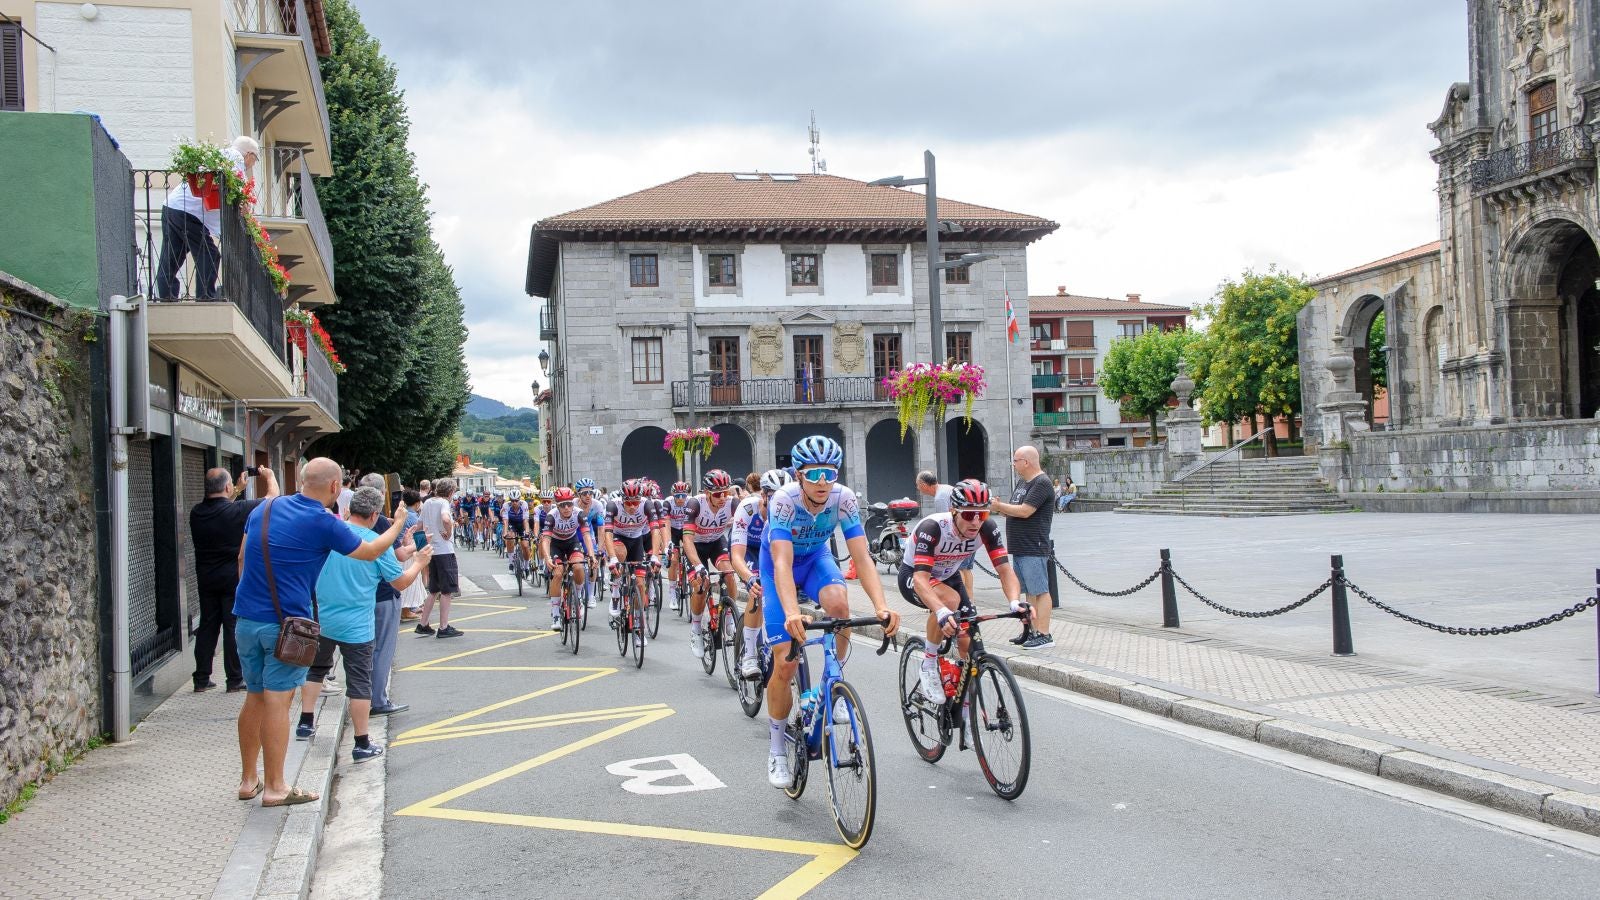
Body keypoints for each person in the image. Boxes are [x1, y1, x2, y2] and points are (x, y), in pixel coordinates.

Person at [231, 457, 408, 807]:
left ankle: (248, 779)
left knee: (254, 697)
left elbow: (240, 558)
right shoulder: (322, 521)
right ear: (334, 487)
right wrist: (398, 523)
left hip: (246, 619)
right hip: (285, 627)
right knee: (278, 702)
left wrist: (252, 597)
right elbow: (371, 550)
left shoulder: (264, 510)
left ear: (301, 480)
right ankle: (277, 787)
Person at [761, 436, 899, 788]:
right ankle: (777, 749)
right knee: (785, 662)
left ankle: (832, 682)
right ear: (799, 475)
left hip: (815, 561)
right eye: (815, 474)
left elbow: (861, 556)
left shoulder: (844, 498)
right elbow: (781, 561)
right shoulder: (784, 501)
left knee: (839, 603)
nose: (823, 481)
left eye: (830, 473)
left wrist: (882, 606)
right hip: (780, 565)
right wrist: (792, 612)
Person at [294, 487, 430, 761]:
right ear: (375, 515)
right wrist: (418, 562)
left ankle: (305, 721)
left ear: (349, 510)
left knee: (316, 669)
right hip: (357, 623)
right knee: (359, 682)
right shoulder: (375, 544)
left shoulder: (331, 534)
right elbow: (400, 583)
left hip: (322, 616)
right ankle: (361, 742)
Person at [899, 480, 1030, 698]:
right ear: (953, 511)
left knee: (968, 642)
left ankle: (965, 708)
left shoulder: (986, 528)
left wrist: (1015, 602)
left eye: (983, 515)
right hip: (915, 576)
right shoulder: (932, 528)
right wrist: (940, 612)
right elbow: (921, 579)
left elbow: (1005, 571)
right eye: (969, 515)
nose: (976, 522)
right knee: (949, 601)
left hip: (949, 576)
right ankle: (929, 663)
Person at [189, 465, 280, 691]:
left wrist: (237, 488)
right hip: (232, 576)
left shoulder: (196, 512)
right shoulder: (237, 511)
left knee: (208, 626)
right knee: (231, 626)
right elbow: (272, 498)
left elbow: (221, 504)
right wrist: (269, 476)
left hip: (206, 577)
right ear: (227, 487)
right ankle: (235, 679)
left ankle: (201, 679)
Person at [154, 135, 257, 300]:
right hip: (189, 213)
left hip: (173, 206)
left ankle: (167, 296)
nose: (253, 164)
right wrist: (244, 205)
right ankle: (205, 296)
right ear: (249, 155)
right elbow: (239, 186)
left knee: (172, 255)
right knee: (210, 253)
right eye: (255, 159)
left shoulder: (221, 155)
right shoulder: (235, 155)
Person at [359, 475, 419, 716]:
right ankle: (377, 700)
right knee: (382, 649)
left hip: (360, 593)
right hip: (384, 592)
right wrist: (416, 547)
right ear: (382, 494)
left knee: (363, 648)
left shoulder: (349, 522)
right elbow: (399, 557)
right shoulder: (383, 524)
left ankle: (362, 696)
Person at [990, 445, 1057, 649]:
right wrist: (1003, 509)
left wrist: (1000, 507)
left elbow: (1026, 511)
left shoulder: (1042, 483)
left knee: (1040, 590)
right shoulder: (1023, 483)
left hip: (1033, 545)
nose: (1014, 464)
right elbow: (1016, 509)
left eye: (1016, 460)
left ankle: (1044, 634)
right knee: (1028, 591)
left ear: (1026, 462)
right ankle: (1032, 631)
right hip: (1020, 545)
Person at [731, 468, 790, 680]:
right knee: (758, 590)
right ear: (763, 496)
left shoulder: (790, 510)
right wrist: (748, 577)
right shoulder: (747, 508)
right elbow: (736, 555)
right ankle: (749, 654)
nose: (779, 503)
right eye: (773, 497)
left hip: (771, 550)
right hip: (748, 549)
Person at [681, 469, 739, 657]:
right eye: (717, 494)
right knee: (701, 584)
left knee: (729, 573)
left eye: (726, 492)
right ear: (707, 493)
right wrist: (698, 566)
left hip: (716, 542)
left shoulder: (732, 503)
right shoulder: (695, 504)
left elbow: (742, 531)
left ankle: (729, 617)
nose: (723, 497)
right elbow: (687, 540)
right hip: (696, 545)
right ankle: (696, 628)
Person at [604, 479, 660, 637]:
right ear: (622, 500)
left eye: (635, 502)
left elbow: (656, 531)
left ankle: (636, 623)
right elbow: (607, 533)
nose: (633, 506)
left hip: (636, 540)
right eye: (628, 503)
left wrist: (655, 555)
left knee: (640, 584)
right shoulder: (613, 505)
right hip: (618, 537)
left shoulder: (647, 504)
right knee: (620, 553)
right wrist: (613, 558)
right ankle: (615, 591)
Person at [540, 487, 594, 630]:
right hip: (556, 545)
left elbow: (587, 536)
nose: (566, 508)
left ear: (573, 503)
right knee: (558, 573)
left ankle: (579, 597)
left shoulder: (579, 514)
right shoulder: (552, 516)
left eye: (569, 504)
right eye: (562, 505)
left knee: (578, 566)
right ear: (557, 505)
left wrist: (592, 555)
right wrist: (547, 558)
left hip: (572, 542)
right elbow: (545, 539)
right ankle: (556, 612)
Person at [416, 479, 463, 638]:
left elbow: (419, 526)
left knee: (434, 589)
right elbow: (445, 519)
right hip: (444, 551)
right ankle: (443, 627)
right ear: (450, 492)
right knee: (447, 590)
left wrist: (421, 545)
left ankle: (423, 624)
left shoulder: (428, 502)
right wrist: (449, 532)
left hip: (431, 551)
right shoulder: (444, 503)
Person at [662, 481, 692, 611]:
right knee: (674, 560)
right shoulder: (668, 503)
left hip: (686, 528)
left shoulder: (691, 502)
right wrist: (668, 542)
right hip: (673, 530)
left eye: (683, 496)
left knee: (690, 553)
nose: (680, 499)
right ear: (673, 495)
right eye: (678, 496)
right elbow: (666, 524)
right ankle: (673, 592)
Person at [398, 489, 427, 621]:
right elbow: (419, 535)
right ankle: (406, 610)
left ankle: (409, 608)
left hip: (399, 549)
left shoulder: (402, 514)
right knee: (411, 582)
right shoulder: (414, 517)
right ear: (417, 504)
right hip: (409, 550)